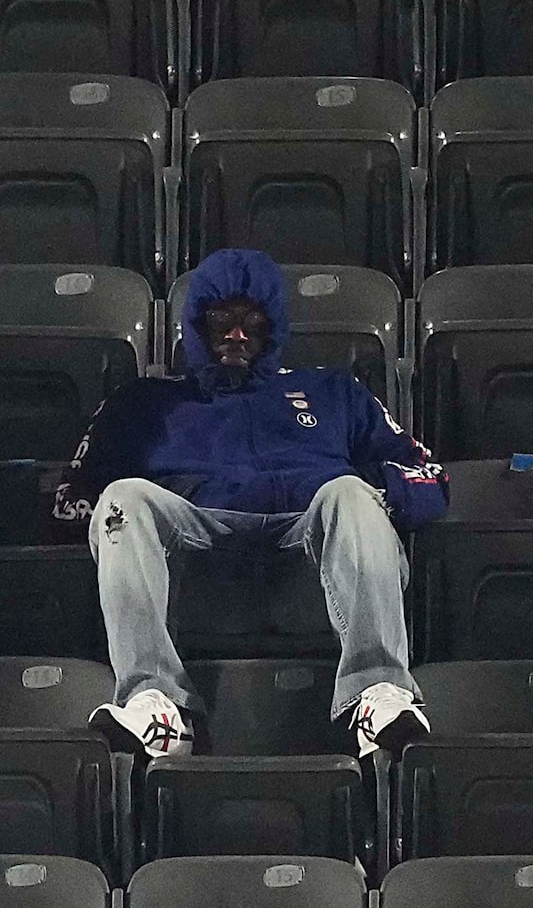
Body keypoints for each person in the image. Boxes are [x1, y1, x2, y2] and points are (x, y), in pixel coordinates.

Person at [59, 246, 447, 761]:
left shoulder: (334, 391)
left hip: (311, 538)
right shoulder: (142, 402)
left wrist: (382, 498)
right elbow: (74, 498)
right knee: (122, 499)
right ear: (196, 325)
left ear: (275, 327)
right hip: (196, 543)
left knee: (349, 492)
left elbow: (430, 476)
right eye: (222, 319)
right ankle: (155, 702)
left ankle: (378, 694)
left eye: (252, 321)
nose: (237, 335)